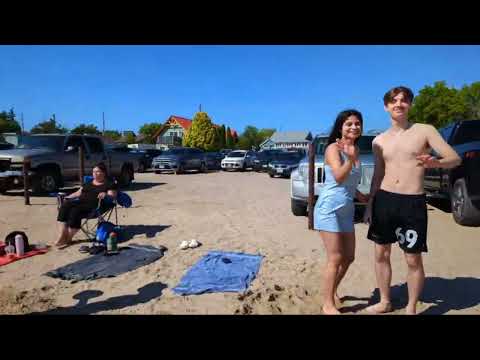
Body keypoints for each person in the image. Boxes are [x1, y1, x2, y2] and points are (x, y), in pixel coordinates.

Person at [364, 86, 461, 315]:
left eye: (404, 100)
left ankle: (410, 307)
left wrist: (435, 163)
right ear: (386, 106)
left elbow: (454, 158)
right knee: (381, 254)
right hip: (384, 200)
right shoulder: (379, 140)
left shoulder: (424, 130)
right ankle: (385, 301)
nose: (399, 104)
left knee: (412, 258)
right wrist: (370, 204)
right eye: (394, 101)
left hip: (412, 202)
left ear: (410, 105)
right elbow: (378, 174)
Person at [314, 109, 369, 315]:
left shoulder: (354, 150)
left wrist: (360, 194)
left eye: (357, 123)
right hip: (328, 208)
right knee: (335, 258)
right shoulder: (332, 149)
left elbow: (348, 181)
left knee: (349, 257)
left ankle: (331, 290)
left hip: (346, 210)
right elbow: (337, 176)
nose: (354, 127)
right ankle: (327, 304)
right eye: (349, 124)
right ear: (340, 127)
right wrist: (350, 159)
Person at [55, 162, 118, 249]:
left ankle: (68, 238)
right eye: (93, 172)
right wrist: (67, 197)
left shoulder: (109, 183)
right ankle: (63, 234)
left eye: (97, 172)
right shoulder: (88, 182)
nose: (95, 174)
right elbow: (78, 193)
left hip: (95, 207)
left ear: (103, 173)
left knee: (75, 211)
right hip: (81, 202)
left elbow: (112, 196)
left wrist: (106, 195)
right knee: (65, 205)